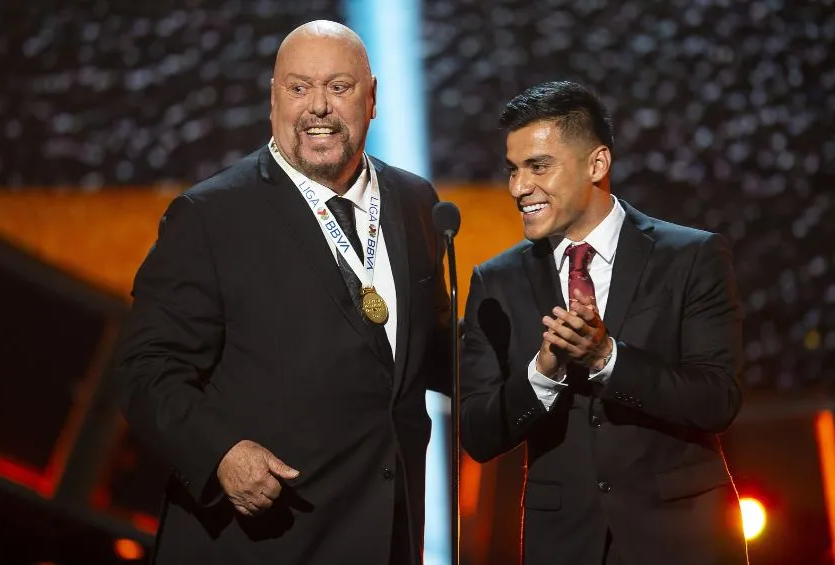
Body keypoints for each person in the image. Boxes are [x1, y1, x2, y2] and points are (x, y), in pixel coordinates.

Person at [113, 20, 450, 565]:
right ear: (273, 101)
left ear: (372, 99)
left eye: (338, 87)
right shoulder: (211, 216)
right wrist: (220, 453)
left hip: (385, 540)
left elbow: (424, 351)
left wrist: (538, 353)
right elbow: (145, 370)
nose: (318, 106)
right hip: (260, 541)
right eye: (299, 88)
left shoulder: (415, 202)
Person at [459, 80, 748, 565]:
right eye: (512, 170)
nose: (518, 187)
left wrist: (607, 359)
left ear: (597, 164)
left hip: (683, 541)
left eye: (538, 166)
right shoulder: (495, 282)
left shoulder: (691, 256)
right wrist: (541, 374)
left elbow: (718, 399)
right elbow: (479, 433)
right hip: (565, 544)